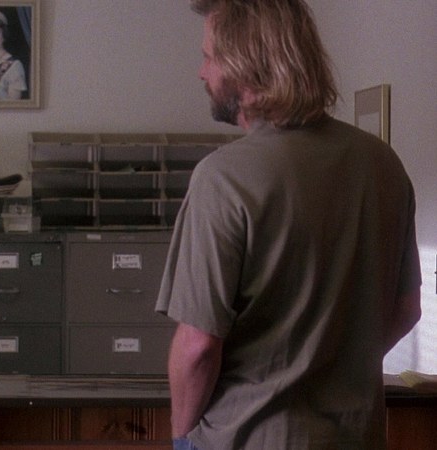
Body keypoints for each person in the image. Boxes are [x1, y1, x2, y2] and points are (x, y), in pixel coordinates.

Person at [155, 1, 422, 449]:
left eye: (208, 57)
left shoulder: (224, 178)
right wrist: (332, 369)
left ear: (245, 64)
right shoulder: (383, 164)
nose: (202, 73)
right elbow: (407, 309)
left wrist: (182, 438)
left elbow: (198, 345)